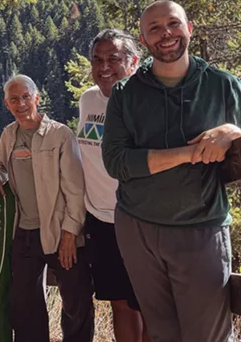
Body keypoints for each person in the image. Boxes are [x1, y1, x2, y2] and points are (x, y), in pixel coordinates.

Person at [102, 0, 241, 342]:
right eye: (155, 28)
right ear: (144, 40)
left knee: (207, 336)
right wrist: (188, 153)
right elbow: (117, 162)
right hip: (138, 230)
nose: (166, 34)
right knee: (163, 333)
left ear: (189, 28)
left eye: (173, 24)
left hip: (200, 228)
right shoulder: (125, 94)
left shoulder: (222, 85)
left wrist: (233, 132)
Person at [0, 75, 94, 342]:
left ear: (36, 98)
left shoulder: (60, 134)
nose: (20, 103)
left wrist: (71, 232)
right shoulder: (9, 134)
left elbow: (76, 188)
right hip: (24, 231)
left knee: (75, 301)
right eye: (14, 99)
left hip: (60, 230)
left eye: (25, 97)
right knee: (24, 304)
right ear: (7, 104)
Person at [78, 29, 151, 342]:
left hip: (140, 221)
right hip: (100, 220)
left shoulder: (145, 103)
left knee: (149, 305)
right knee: (119, 303)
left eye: (113, 59)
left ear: (132, 62)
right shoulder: (88, 100)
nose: (103, 66)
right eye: (97, 59)